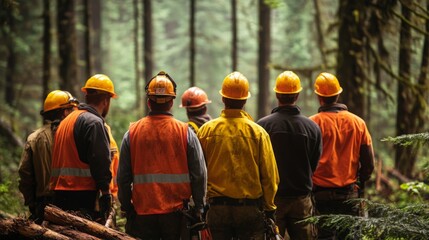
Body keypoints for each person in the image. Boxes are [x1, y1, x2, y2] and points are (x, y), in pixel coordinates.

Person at [117, 71, 207, 239]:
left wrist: (126, 206)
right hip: (177, 216)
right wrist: (199, 207)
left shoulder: (132, 133)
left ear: (149, 102)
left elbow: (123, 177)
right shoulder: (185, 132)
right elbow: (199, 174)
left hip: (142, 214)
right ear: (172, 102)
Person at [197, 71, 279, 239]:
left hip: (217, 209)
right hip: (249, 210)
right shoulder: (258, 133)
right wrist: (269, 208)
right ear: (245, 100)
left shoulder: (206, 131)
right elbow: (269, 176)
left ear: (223, 99)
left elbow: (198, 172)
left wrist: (199, 205)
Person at [309, 72, 375, 239]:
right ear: (338, 94)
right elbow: (368, 163)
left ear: (319, 96)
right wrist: (360, 180)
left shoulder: (312, 123)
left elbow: (306, 161)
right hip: (349, 193)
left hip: (320, 195)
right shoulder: (358, 123)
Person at [257, 71, 322, 240]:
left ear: (277, 94)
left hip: (272, 200)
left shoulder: (263, 126)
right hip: (301, 200)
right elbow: (313, 163)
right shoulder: (312, 128)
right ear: (297, 95)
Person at [50, 74, 117, 222]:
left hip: (59, 193)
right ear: (106, 100)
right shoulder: (93, 123)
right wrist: (106, 193)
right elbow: (100, 160)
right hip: (81, 194)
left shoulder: (67, 120)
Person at [18, 90, 79, 224]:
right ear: (65, 112)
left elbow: (25, 173)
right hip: (72, 203)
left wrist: (32, 203)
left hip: (42, 204)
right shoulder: (75, 135)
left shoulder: (34, 138)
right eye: (71, 109)